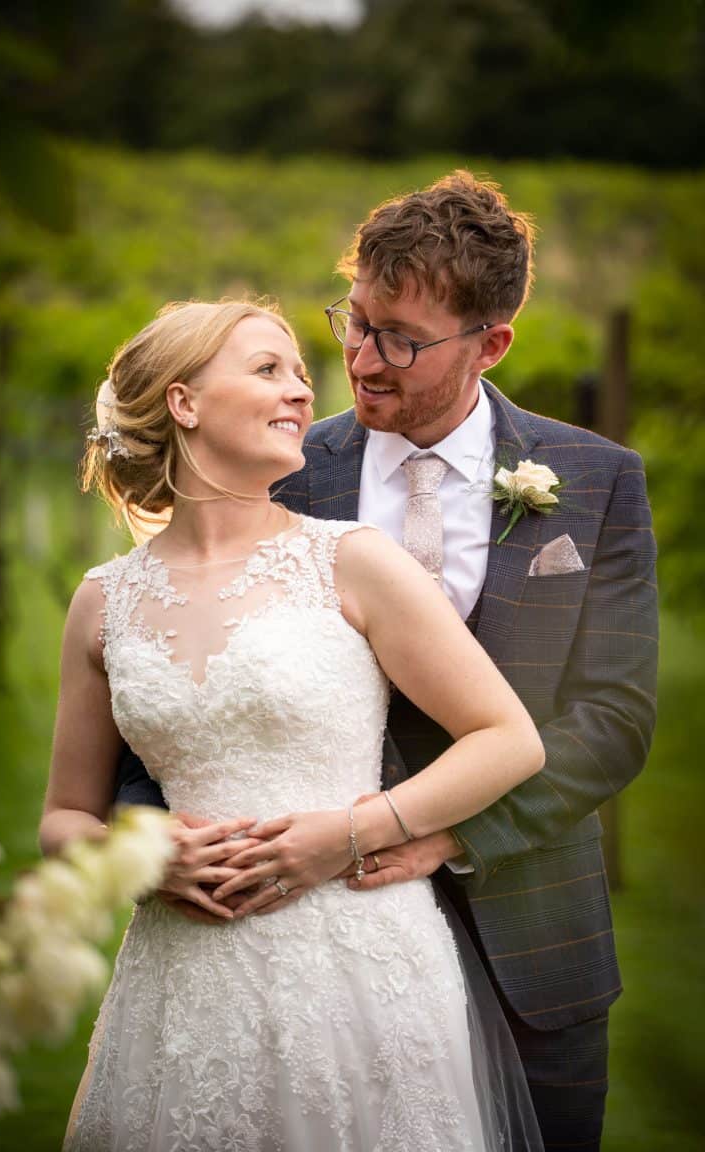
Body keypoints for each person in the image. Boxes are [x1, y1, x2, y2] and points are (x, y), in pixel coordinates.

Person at [118, 173, 658, 1152]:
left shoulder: (594, 482)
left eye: (399, 339)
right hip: (295, 939)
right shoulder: (276, 466)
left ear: (490, 342)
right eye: (353, 321)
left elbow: (614, 718)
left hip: (530, 939)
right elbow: (172, 672)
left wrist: (435, 834)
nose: (360, 361)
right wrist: (153, 842)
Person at [43, 298, 547, 1151]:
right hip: (182, 978)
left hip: (358, 962)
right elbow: (62, 820)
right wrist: (142, 855)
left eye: (303, 376)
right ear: (183, 403)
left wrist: (352, 832)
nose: (303, 394)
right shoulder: (103, 600)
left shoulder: (350, 560)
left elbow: (509, 738)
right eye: (268, 369)